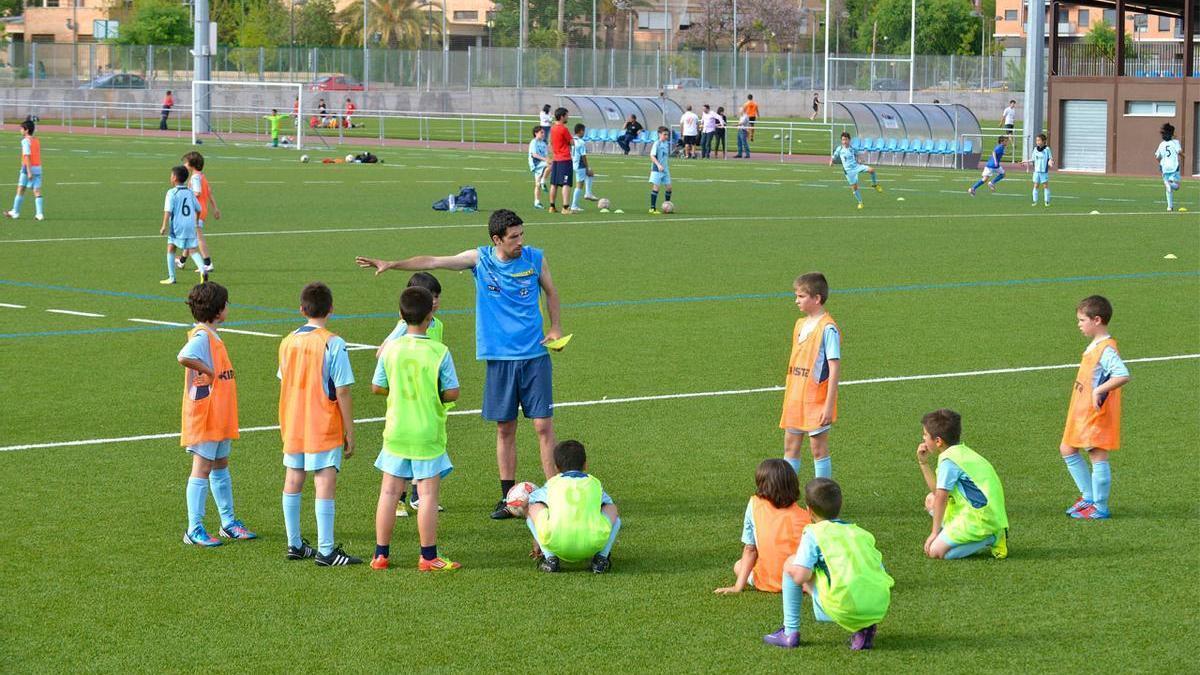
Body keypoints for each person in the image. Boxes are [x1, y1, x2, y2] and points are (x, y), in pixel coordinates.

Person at [355, 209, 565, 521]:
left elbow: (551, 292)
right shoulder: (480, 260)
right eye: (514, 237)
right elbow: (432, 262)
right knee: (505, 428)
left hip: (534, 356)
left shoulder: (535, 258)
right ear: (497, 239)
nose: (521, 241)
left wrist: (556, 327)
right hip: (500, 359)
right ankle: (507, 497)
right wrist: (393, 264)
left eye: (522, 234)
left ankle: (554, 494)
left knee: (542, 426)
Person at [371, 286, 462, 571]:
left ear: (401, 314)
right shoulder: (439, 351)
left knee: (388, 492)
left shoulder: (391, 350)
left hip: (397, 430)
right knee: (427, 495)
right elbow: (452, 392)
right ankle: (428, 556)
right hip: (427, 432)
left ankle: (380, 555)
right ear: (430, 315)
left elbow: (377, 387)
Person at [278, 282, 360, 566]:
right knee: (324, 479)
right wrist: (350, 429)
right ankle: (326, 550)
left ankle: (294, 543)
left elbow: (284, 378)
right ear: (331, 309)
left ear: (302, 309)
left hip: (292, 420)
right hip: (322, 421)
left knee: (293, 477)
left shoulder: (287, 341)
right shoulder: (332, 342)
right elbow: (343, 390)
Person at [764, 478, 893, 650]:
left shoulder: (813, 533)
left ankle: (790, 632)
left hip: (843, 607)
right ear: (840, 505)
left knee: (792, 563)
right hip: (879, 605)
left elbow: (800, 576)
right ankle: (864, 629)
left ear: (808, 511)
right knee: (851, 574)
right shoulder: (862, 533)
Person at [177, 281, 256, 546]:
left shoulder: (212, 335)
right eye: (226, 303)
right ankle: (194, 528)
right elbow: (184, 356)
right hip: (205, 414)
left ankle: (228, 523)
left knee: (220, 465)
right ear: (219, 309)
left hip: (219, 414)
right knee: (202, 468)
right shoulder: (202, 336)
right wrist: (209, 373)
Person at [374, 271, 447, 518]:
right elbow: (381, 352)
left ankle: (418, 497)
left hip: (431, 402)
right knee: (405, 456)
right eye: (431, 296)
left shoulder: (437, 325)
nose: (435, 301)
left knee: (423, 454)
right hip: (408, 403)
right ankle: (399, 499)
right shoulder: (402, 328)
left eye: (437, 296)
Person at [1060, 295, 1131, 520]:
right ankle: (1088, 496)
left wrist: (1099, 391)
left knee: (1096, 454)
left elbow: (1122, 374)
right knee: (1067, 448)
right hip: (1081, 411)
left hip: (1094, 413)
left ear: (1097, 320)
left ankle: (1099, 507)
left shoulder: (1106, 349)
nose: (1079, 324)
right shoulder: (1096, 345)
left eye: (1082, 320)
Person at [915, 409, 1009, 560]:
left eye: (925, 434)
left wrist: (934, 532)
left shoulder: (949, 462)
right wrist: (923, 463)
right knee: (930, 500)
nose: (923, 438)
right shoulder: (959, 452)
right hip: (981, 511)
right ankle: (964, 533)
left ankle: (991, 537)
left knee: (935, 552)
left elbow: (941, 498)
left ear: (938, 441)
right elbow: (936, 491)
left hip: (981, 518)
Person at [714, 459, 811, 594]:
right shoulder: (806, 516)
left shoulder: (754, 504)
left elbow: (750, 549)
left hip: (768, 581)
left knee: (738, 566)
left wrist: (737, 587)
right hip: (801, 582)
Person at [526, 440, 620, 573]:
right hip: (593, 543)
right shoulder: (594, 484)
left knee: (533, 508)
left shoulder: (552, 483)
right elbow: (610, 508)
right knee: (612, 509)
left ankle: (550, 558)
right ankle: (601, 559)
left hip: (555, 542)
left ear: (556, 468)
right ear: (585, 465)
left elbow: (531, 500)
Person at [780, 272, 840, 478]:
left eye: (801, 296)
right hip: (795, 398)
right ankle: (788, 500)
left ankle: (822, 502)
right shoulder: (799, 324)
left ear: (817, 298)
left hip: (816, 401)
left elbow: (834, 368)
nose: (796, 301)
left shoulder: (828, 328)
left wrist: (829, 405)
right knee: (790, 448)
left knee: (818, 450)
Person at [159, 166, 205, 285]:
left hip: (177, 226)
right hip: (190, 225)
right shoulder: (190, 192)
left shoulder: (171, 192)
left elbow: (168, 211)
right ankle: (203, 269)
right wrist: (196, 221)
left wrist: (164, 225)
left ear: (174, 178)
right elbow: (198, 209)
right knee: (192, 249)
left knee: (171, 247)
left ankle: (172, 277)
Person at [179, 152, 218, 274]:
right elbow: (209, 192)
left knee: (199, 238)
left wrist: (185, 193)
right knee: (190, 236)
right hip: (202, 210)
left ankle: (207, 263)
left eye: (186, 162)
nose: (184, 164)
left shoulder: (195, 178)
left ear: (192, 164)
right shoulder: (202, 176)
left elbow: (197, 193)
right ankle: (182, 260)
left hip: (196, 212)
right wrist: (215, 208)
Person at [5, 119, 44, 221]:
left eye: (21, 129)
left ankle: (15, 212)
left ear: (26, 130)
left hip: (28, 169)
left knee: (20, 189)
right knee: (37, 191)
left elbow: (27, 156)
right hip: (38, 168)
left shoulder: (25, 141)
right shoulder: (36, 140)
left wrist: (29, 171)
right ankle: (39, 214)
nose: (20, 130)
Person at [830, 132, 881, 209]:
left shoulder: (852, 148)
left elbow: (857, 155)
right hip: (849, 171)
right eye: (843, 140)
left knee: (872, 170)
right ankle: (860, 202)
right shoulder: (839, 148)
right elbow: (834, 156)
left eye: (846, 139)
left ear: (849, 140)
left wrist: (860, 160)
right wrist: (831, 161)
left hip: (856, 166)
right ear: (841, 141)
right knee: (855, 187)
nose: (844, 141)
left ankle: (874, 184)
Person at [547, 107, 573, 214]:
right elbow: (572, 142)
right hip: (564, 159)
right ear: (562, 116)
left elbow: (552, 142)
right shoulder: (563, 128)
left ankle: (552, 206)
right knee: (566, 184)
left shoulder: (553, 128)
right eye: (567, 115)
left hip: (556, 159)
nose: (568, 117)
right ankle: (565, 208)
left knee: (554, 184)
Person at [1155, 122, 1184, 212]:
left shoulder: (1162, 144)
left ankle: (1169, 207)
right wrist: (1184, 156)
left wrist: (1160, 164)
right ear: (1172, 133)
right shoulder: (1175, 142)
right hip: (1174, 167)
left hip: (1164, 167)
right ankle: (1169, 183)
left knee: (1168, 189)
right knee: (1176, 186)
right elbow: (1179, 151)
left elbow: (1157, 157)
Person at [569, 123, 598, 212]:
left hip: (574, 163)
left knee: (591, 173)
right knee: (579, 185)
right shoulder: (581, 142)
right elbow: (583, 156)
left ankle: (588, 193)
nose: (584, 133)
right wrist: (586, 167)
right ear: (581, 131)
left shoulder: (572, 140)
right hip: (580, 165)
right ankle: (574, 205)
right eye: (584, 131)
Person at [648, 126, 673, 214]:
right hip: (657, 169)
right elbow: (652, 156)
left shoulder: (666, 143)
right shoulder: (656, 143)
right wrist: (658, 165)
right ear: (659, 134)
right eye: (664, 134)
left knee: (669, 188)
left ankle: (667, 206)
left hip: (665, 169)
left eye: (667, 135)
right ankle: (652, 208)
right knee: (656, 187)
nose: (666, 136)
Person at [1025, 133, 1053, 206]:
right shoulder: (1035, 149)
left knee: (1045, 186)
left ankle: (1047, 201)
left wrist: (1050, 162)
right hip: (1036, 171)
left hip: (1044, 171)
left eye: (1039, 140)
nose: (1037, 142)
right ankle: (1035, 201)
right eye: (1036, 140)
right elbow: (1033, 159)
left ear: (1044, 141)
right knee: (1036, 185)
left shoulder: (1047, 149)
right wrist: (1025, 161)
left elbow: (1050, 158)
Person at [527, 126, 550, 209]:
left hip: (541, 162)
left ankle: (537, 202)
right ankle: (543, 181)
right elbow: (534, 155)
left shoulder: (544, 143)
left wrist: (548, 159)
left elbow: (546, 155)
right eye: (541, 132)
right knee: (551, 165)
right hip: (535, 163)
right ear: (536, 133)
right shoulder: (534, 142)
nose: (543, 134)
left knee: (537, 184)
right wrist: (546, 160)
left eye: (543, 132)